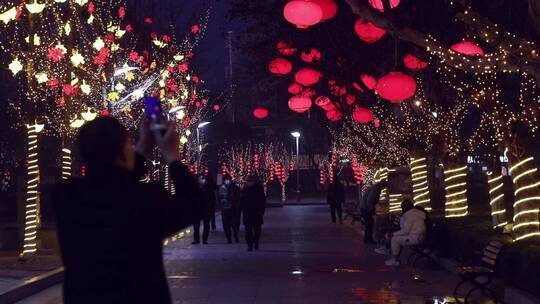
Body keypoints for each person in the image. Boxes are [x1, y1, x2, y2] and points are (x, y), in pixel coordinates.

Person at [52, 117, 204, 304]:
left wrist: (141, 149)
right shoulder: (148, 199)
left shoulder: (65, 197)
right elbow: (196, 204)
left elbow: (111, 184)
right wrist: (172, 156)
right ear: (123, 151)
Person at [382, 199, 427, 267]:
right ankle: (389, 250)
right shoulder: (416, 213)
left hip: (416, 237)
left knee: (395, 239)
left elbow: (405, 230)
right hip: (419, 236)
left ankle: (394, 259)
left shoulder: (410, 215)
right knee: (395, 237)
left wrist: (392, 234)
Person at [240, 175, 267, 251]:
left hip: (257, 213)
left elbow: (263, 201)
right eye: (247, 181)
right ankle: (250, 245)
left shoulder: (259, 189)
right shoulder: (244, 190)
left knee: (257, 230)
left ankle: (256, 241)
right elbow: (241, 201)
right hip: (247, 213)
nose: (249, 183)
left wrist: (262, 211)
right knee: (248, 231)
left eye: (250, 181)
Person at [193, 174, 214, 244]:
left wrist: (210, 208)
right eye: (200, 178)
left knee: (206, 225)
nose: (202, 180)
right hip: (197, 209)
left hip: (206, 209)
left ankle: (204, 239)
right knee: (196, 225)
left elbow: (212, 198)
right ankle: (196, 239)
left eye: (203, 178)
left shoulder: (208, 188)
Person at [218, 175, 238, 243]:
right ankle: (229, 238)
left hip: (233, 208)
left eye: (228, 179)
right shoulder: (221, 188)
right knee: (226, 225)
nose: (227, 181)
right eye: (226, 180)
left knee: (234, 224)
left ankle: (235, 235)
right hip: (225, 208)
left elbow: (238, 197)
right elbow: (219, 197)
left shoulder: (234, 187)